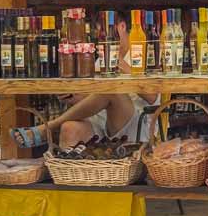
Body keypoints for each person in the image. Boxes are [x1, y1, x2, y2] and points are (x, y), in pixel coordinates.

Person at [11, 20, 159, 148]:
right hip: (101, 122)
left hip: (136, 123)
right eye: (100, 34)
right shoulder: (101, 60)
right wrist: (73, 96)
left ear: (121, 27)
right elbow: (94, 98)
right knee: (69, 128)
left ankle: (47, 128)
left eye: (105, 32)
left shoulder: (143, 51)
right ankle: (73, 179)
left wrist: (125, 67)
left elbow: (153, 96)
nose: (102, 38)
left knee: (112, 89)